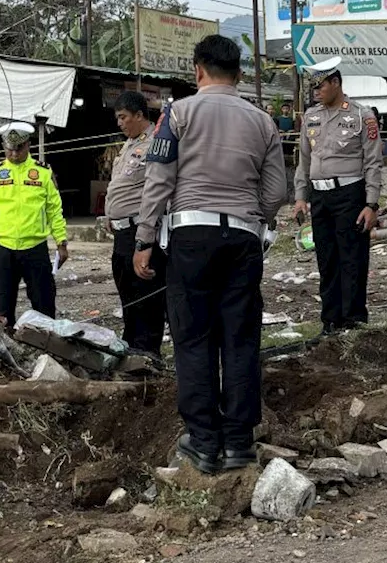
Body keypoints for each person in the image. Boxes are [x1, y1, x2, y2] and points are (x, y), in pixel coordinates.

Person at [135, 34, 287, 475]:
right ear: (239, 74)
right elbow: (275, 192)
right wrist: (247, 216)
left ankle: (203, 441)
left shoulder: (176, 113)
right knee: (240, 338)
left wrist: (145, 239)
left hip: (190, 239)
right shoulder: (263, 122)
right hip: (242, 239)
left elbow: (159, 181)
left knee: (193, 337)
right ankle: (239, 442)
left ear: (197, 70)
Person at [292, 57, 384, 335]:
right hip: (320, 197)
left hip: (350, 194)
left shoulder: (361, 114)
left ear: (336, 82)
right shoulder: (311, 116)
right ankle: (330, 321)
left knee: (352, 259)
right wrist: (299, 197)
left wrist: (371, 204)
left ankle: (353, 320)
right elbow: (303, 161)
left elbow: (373, 162)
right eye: (312, 87)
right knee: (327, 259)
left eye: (320, 85)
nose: (315, 92)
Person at [0, 122, 68, 327]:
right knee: (2, 307)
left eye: (19, 148)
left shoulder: (42, 173)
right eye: (9, 149)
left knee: (44, 303)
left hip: (35, 248)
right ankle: (9, 349)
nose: (14, 154)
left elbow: (54, 210)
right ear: (3, 146)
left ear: (28, 145)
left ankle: (47, 345)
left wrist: (61, 242)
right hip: (2, 249)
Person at [104, 90, 165, 354]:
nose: (119, 123)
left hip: (139, 231)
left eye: (123, 117)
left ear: (139, 115)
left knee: (146, 298)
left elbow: (157, 190)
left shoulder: (155, 143)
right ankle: (130, 348)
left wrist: (145, 238)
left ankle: (147, 353)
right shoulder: (129, 145)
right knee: (127, 295)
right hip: (121, 233)